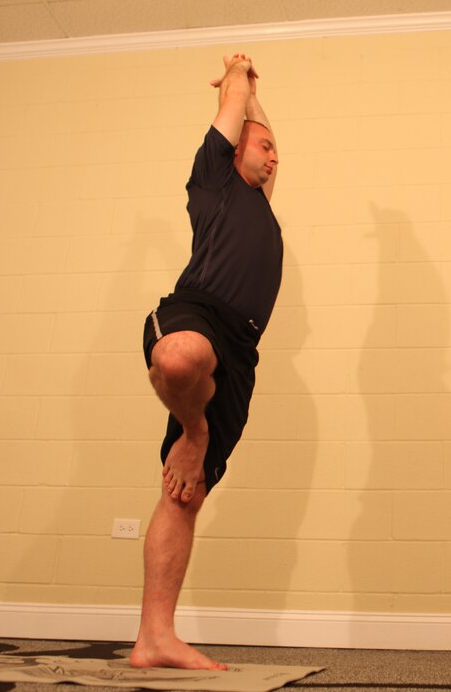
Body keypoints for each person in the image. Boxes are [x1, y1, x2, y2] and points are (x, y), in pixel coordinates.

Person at [130, 53, 282, 671]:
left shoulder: (263, 205)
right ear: (232, 150)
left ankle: (154, 639)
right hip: (198, 311)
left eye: (275, 151)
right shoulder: (212, 180)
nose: (273, 157)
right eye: (262, 146)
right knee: (180, 355)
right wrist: (239, 78)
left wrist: (260, 104)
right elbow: (232, 117)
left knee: (185, 494)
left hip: (242, 352)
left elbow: (273, 142)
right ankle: (194, 429)